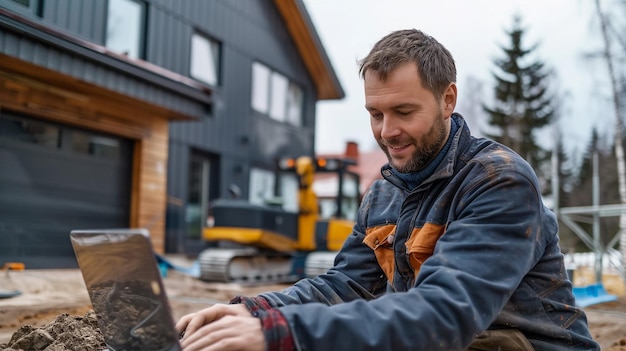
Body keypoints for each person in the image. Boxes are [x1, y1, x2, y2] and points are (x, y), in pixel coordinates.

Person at [175, 29, 600, 351]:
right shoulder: (382, 194)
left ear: (447, 99)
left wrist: (277, 334)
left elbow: (445, 311)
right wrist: (254, 311)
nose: (387, 131)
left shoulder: (497, 181)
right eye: (375, 113)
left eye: (403, 111)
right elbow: (345, 286)